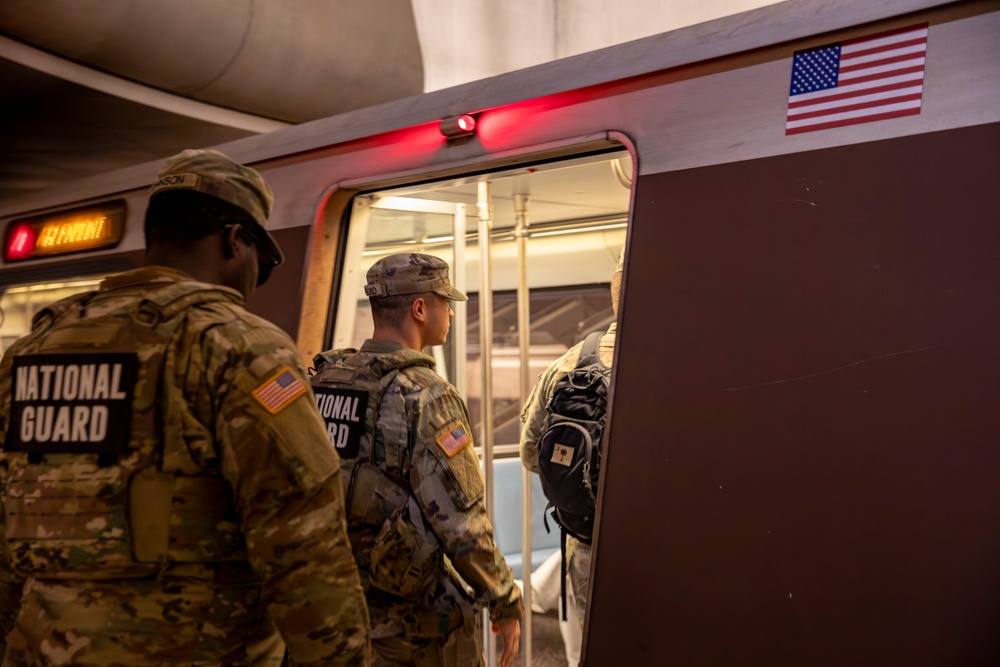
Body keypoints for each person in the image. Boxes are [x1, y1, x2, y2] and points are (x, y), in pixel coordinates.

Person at [0, 149, 371, 666]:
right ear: (234, 239)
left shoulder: (34, 348)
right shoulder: (237, 344)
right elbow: (301, 538)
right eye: (257, 265)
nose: (252, 280)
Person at [310, 253, 524, 667]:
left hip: (330, 609)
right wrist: (503, 600)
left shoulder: (325, 381)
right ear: (420, 308)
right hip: (407, 631)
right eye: (446, 302)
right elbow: (461, 522)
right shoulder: (427, 395)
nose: (451, 313)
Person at [519, 246, 623, 634]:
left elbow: (532, 455)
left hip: (585, 543)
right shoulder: (678, 368)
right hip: (660, 546)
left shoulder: (568, 364)